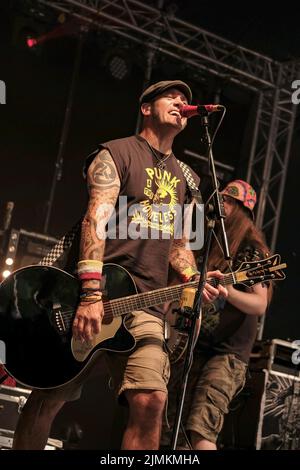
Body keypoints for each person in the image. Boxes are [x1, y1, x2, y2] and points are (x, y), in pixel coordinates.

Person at [13, 80, 227, 450]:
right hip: (94, 294)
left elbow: (179, 247)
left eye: (186, 100)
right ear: (146, 108)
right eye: (171, 97)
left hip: (146, 305)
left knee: (151, 402)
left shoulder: (188, 179)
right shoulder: (115, 154)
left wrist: (195, 278)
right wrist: (91, 294)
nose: (181, 102)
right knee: (48, 397)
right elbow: (95, 221)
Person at [161, 179, 273, 450]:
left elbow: (260, 304)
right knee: (174, 431)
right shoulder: (208, 243)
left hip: (228, 354)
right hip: (194, 346)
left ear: (241, 209)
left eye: (229, 201)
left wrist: (228, 291)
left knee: (201, 429)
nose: (221, 204)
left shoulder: (252, 250)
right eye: (222, 198)